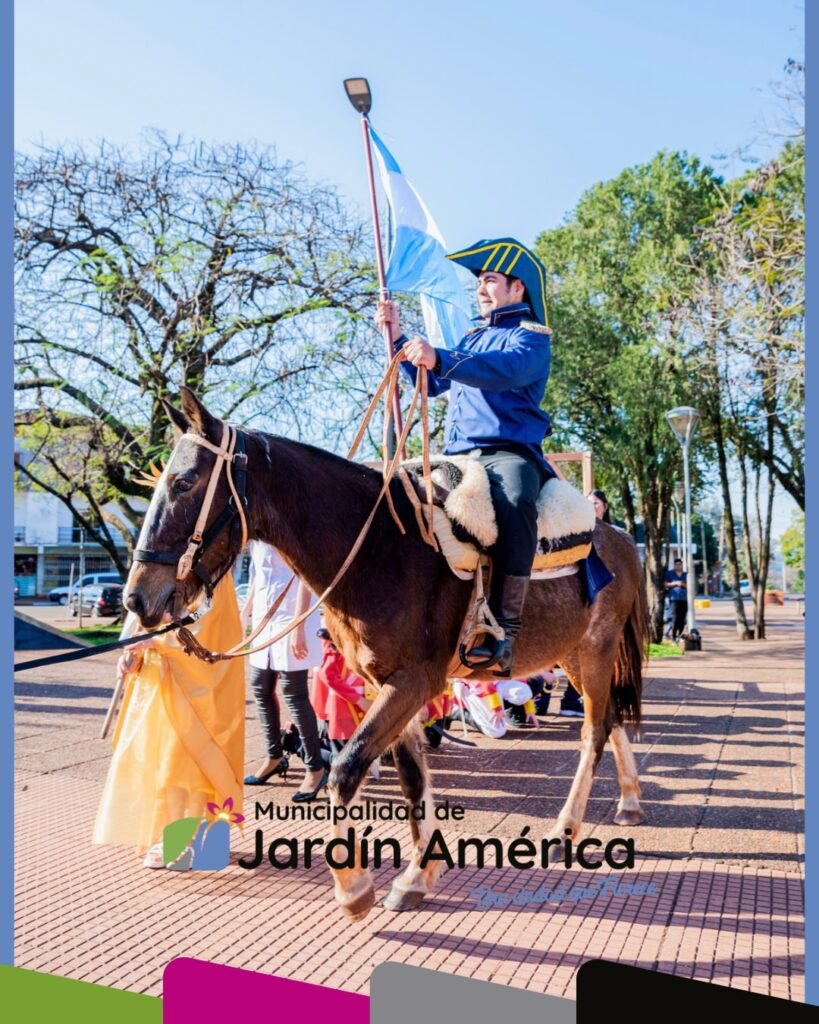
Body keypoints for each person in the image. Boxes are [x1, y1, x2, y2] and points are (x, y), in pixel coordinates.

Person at [377, 238, 555, 677]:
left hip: (508, 453)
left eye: (490, 280)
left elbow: (502, 372)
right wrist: (398, 339)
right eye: (478, 282)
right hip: (458, 456)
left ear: (517, 287)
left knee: (515, 503)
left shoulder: (530, 339)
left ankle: (505, 631)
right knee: (395, 499)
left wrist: (441, 356)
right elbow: (433, 382)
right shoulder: (471, 338)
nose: (480, 289)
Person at [93, 575, 245, 869]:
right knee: (162, 765)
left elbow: (209, 626)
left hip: (195, 687)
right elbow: (143, 618)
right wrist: (131, 655)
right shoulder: (157, 566)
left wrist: (157, 641)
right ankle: (171, 836)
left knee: (188, 765)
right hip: (158, 683)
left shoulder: (213, 573)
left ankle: (185, 840)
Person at [243, 541, 326, 803]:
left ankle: (315, 768)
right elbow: (257, 575)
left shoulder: (288, 527)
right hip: (264, 619)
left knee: (294, 693)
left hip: (292, 618)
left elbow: (305, 577)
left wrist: (298, 627)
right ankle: (274, 756)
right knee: (260, 686)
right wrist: (245, 613)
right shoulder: (256, 535)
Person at [664, 557, 688, 640]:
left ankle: (679, 635)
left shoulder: (686, 575)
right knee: (675, 617)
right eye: (676, 564)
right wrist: (675, 583)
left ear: (682, 565)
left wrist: (683, 584)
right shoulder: (670, 574)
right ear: (674, 565)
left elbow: (690, 585)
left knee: (683, 618)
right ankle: (673, 636)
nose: (678, 566)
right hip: (674, 598)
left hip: (684, 599)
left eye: (679, 564)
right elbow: (665, 584)